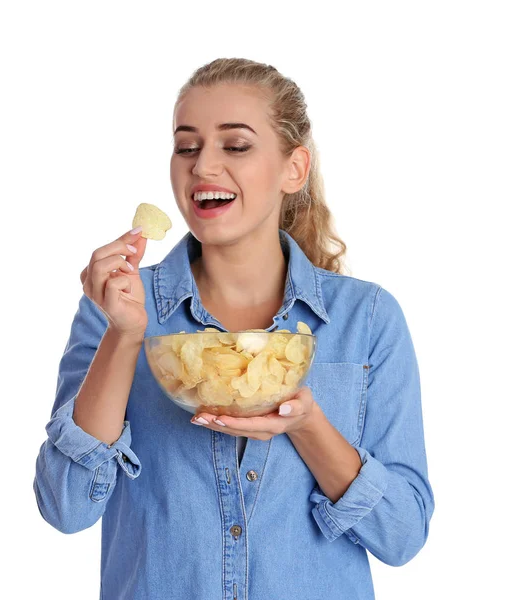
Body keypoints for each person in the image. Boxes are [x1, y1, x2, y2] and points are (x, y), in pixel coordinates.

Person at [33, 57, 434, 600]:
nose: (203, 167)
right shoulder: (114, 307)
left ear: (295, 169)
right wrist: (125, 336)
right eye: (187, 146)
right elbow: (65, 506)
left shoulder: (366, 319)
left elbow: (402, 535)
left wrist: (307, 425)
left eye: (236, 146)